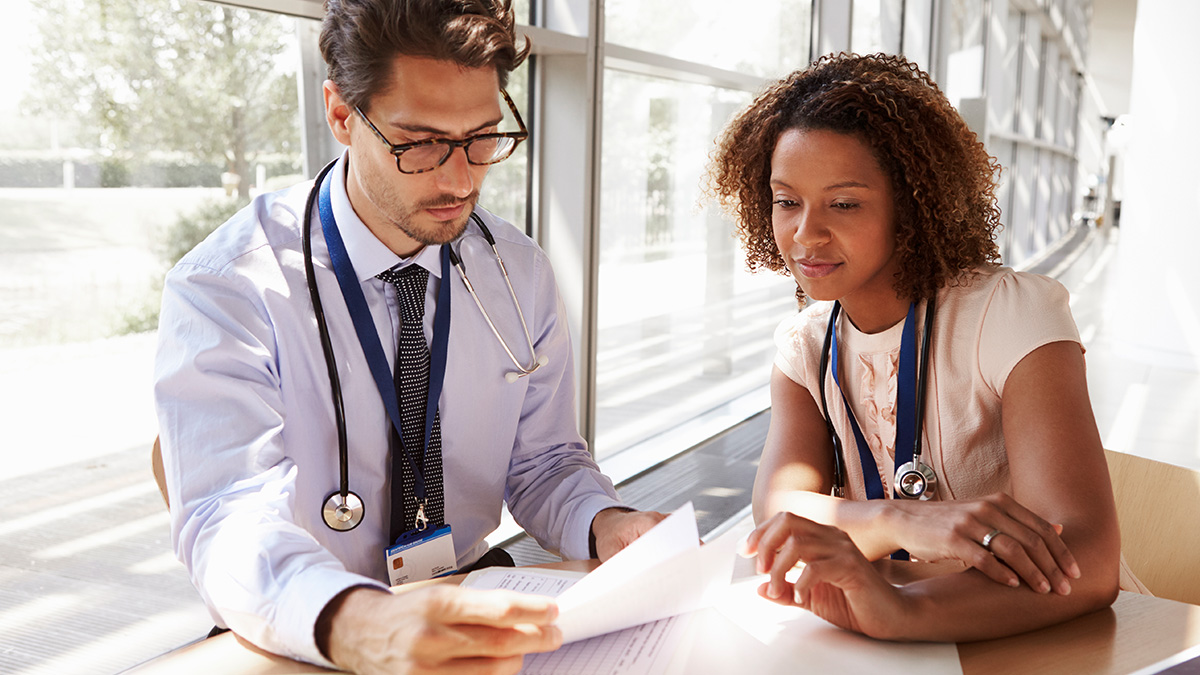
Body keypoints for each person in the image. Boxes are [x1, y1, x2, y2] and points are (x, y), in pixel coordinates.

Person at [153, 0, 663, 671]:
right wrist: (363, 622)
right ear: (341, 115)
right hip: (313, 628)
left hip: (464, 601)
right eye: (419, 142)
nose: (460, 178)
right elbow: (229, 517)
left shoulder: (518, 272)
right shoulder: (229, 288)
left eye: (482, 137)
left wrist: (607, 521)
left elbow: (543, 462)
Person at [705, 53, 1137, 642]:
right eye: (787, 201)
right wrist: (898, 518)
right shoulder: (805, 347)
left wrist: (904, 612)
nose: (806, 233)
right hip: (890, 637)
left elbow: (1086, 564)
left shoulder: (1011, 317)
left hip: (1054, 639)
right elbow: (780, 521)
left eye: (845, 203)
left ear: (911, 203)